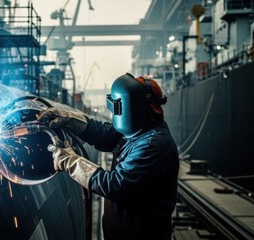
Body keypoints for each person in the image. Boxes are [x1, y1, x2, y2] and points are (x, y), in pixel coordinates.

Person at [39, 73, 179, 240]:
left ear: (131, 108)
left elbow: (116, 185)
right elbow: (103, 134)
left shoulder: (152, 144)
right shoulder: (137, 128)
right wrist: (69, 119)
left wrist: (71, 161)